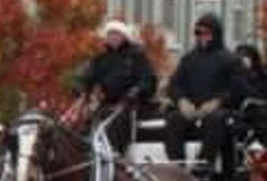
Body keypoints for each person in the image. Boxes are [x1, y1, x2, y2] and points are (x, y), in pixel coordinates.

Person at [165, 13, 240, 172]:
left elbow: (237, 89)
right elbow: (174, 85)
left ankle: (204, 166)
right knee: (173, 119)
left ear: (216, 34)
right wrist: (181, 101)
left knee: (215, 119)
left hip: (218, 111)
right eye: (198, 33)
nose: (201, 37)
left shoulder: (230, 60)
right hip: (191, 110)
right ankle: (177, 167)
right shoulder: (189, 59)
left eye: (206, 33)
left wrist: (218, 101)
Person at [76, 20, 158, 152]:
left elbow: (148, 80)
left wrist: (135, 92)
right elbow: (86, 78)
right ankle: (86, 152)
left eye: (117, 34)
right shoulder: (100, 59)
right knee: (86, 121)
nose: (113, 37)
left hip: (131, 104)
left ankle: (114, 151)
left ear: (124, 37)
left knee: (116, 120)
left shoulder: (137, 56)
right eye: (110, 34)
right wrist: (82, 91)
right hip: (107, 104)